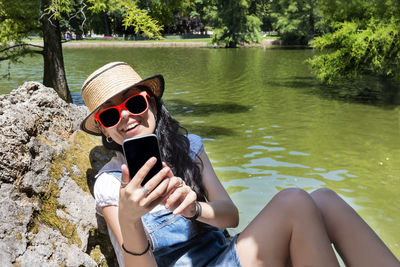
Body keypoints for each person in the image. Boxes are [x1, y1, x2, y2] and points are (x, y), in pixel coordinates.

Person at [80, 62, 399, 267]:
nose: (125, 116)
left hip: (227, 254)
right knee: (293, 201)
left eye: (133, 102)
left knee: (325, 200)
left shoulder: (188, 148)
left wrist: (195, 210)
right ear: (105, 129)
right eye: (109, 114)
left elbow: (230, 216)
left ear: (150, 102)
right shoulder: (111, 185)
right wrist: (132, 218)